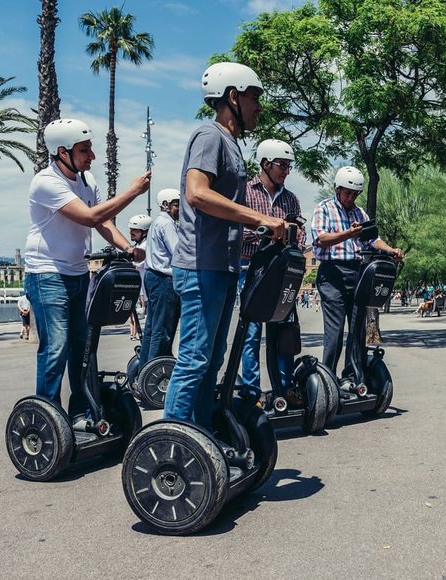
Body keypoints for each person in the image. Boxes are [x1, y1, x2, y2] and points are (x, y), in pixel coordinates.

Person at [162, 62, 286, 431]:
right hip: (200, 266)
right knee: (195, 359)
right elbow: (197, 193)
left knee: (211, 360)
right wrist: (258, 218)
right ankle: (170, 441)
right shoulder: (209, 135)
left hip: (222, 267)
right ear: (233, 97)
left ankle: (199, 435)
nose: (259, 107)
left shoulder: (231, 144)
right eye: (254, 98)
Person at [25, 118, 151, 424]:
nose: (91, 156)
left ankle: (81, 412)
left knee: (83, 348)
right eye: (84, 150)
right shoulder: (46, 182)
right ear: (62, 152)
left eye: (90, 149)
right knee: (56, 347)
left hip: (79, 273)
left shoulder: (86, 181)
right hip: (46, 274)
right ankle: (48, 418)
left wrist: (127, 249)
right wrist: (132, 192)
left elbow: (103, 223)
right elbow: (90, 216)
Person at [311, 166, 403, 373]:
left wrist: (391, 250)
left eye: (355, 194)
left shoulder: (359, 212)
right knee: (334, 333)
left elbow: (373, 239)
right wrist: (348, 234)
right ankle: (328, 379)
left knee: (357, 331)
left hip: (358, 273)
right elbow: (321, 239)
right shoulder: (323, 208)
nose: (351, 197)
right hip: (332, 274)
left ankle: (352, 377)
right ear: (337, 189)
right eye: (347, 192)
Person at [236, 138, 305, 402]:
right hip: (251, 268)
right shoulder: (245, 192)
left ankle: (285, 387)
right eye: (282, 166)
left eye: (289, 167)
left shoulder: (291, 199)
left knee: (284, 331)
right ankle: (252, 392)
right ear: (265, 164)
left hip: (282, 272)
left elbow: (300, 235)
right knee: (251, 334)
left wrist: (292, 237)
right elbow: (236, 232)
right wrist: (267, 232)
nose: (286, 171)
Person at [138, 188, 181, 368]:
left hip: (154, 276)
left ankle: (144, 370)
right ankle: (156, 372)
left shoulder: (158, 222)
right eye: (177, 205)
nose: (180, 209)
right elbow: (178, 251)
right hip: (164, 279)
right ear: (165, 205)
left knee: (152, 328)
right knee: (163, 330)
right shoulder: (166, 224)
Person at [127, 214, 152, 340]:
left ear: (145, 232)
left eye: (135, 231)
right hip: (145, 293)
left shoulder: (144, 247)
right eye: (130, 230)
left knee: (151, 329)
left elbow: (134, 265)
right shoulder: (140, 245)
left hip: (149, 292)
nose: (131, 233)